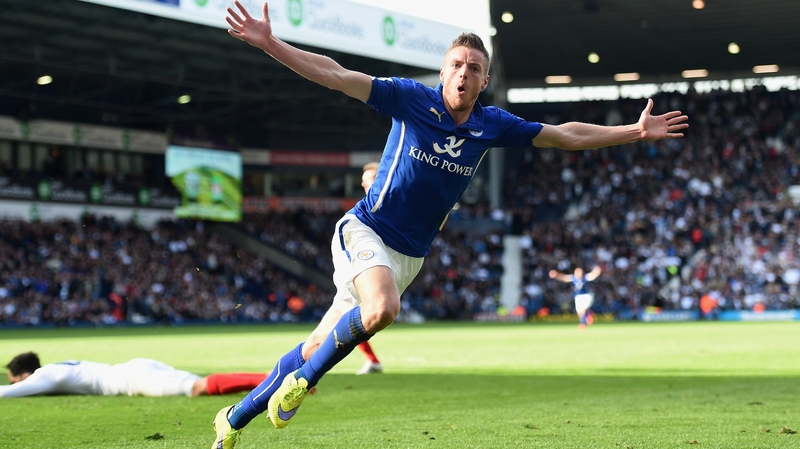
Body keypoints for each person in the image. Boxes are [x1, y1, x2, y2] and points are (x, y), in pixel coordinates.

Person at [212, 2, 689, 447]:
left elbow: (564, 135)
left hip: (409, 257)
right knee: (382, 310)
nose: (464, 72)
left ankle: (233, 419)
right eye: (457, 64)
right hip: (366, 230)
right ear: (443, 71)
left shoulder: (492, 123)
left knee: (319, 342)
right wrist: (272, 44)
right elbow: (337, 76)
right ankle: (302, 383)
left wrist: (633, 131)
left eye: (474, 68)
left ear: (484, 83)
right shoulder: (409, 99)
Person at [1, 351, 267, 398]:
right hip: (137, 366)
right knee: (203, 381)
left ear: (25, 375)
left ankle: (270, 380)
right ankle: (269, 377)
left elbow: (8, 393)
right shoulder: (60, 366)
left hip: (134, 380)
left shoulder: (46, 376)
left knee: (198, 387)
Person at [353, 161, 384, 375]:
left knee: (351, 317)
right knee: (349, 315)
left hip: (385, 265)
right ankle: (373, 361)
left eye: (371, 180)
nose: (367, 186)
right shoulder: (362, 209)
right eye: (364, 182)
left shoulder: (388, 204)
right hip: (368, 266)